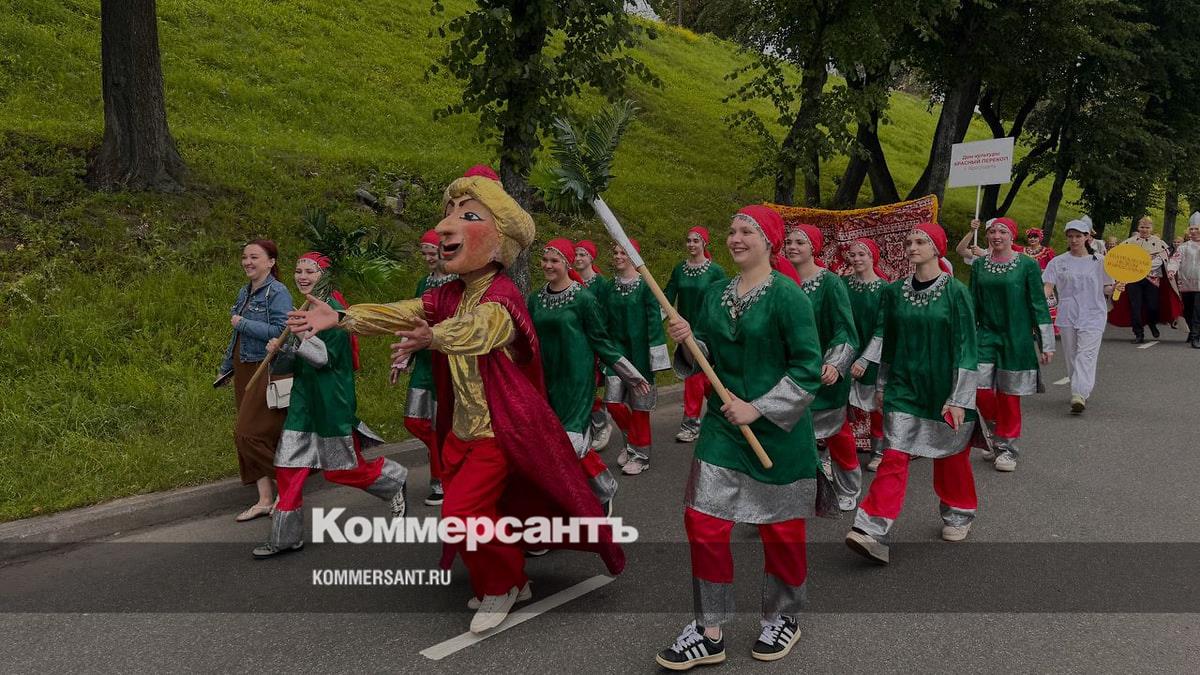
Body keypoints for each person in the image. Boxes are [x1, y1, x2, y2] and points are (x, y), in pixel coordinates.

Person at [286, 166, 624, 635]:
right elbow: (406, 310)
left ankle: (504, 584)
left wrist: (434, 337)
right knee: (467, 517)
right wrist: (344, 317)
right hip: (461, 431)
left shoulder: (502, 296)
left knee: (461, 514)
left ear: (500, 240)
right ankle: (513, 579)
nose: (446, 226)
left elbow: (481, 330)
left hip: (498, 433)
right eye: (449, 213)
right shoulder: (451, 293)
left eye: (468, 216)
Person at [656, 205, 822, 669]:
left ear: (768, 241)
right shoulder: (715, 293)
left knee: (781, 530)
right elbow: (706, 353)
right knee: (702, 520)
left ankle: (783, 617)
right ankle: (709, 631)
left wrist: (759, 407)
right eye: (731, 231)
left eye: (747, 231)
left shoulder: (789, 296)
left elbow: (808, 368)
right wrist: (689, 340)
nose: (735, 238)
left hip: (779, 434)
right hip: (723, 428)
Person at [252, 252, 408, 558]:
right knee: (288, 466)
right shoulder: (306, 306)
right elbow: (296, 360)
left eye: (310, 271)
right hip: (303, 398)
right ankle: (286, 538)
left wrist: (297, 340)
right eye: (298, 271)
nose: (302, 276)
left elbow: (324, 359)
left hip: (331, 399)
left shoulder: (335, 310)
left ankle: (392, 480)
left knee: (340, 471)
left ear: (325, 276)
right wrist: (281, 350)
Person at [846, 223, 980, 564]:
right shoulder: (893, 292)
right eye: (909, 241)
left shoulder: (956, 292)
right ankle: (871, 528)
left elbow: (967, 346)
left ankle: (959, 512)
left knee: (950, 455)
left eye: (920, 241)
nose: (912, 246)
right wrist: (881, 386)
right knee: (894, 454)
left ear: (937, 248)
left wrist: (960, 398)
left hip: (944, 388)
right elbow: (889, 343)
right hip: (903, 387)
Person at [528, 237, 650, 511]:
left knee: (570, 442)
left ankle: (591, 494)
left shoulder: (584, 299)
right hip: (547, 381)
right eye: (545, 259)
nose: (548, 265)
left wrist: (631, 375)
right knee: (550, 443)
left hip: (577, 380)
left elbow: (601, 341)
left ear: (567, 263)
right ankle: (592, 493)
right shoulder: (535, 299)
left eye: (554, 260)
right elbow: (529, 341)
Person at [784, 223, 860, 511]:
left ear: (813, 248)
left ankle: (848, 486)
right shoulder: (779, 282)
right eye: (789, 242)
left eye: (799, 242)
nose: (792, 247)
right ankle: (787, 492)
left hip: (824, 374)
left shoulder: (831, 283)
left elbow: (844, 329)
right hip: (789, 374)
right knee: (788, 436)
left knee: (837, 433)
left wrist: (835, 363)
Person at [968, 217, 1054, 473]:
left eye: (1002, 232)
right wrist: (964, 336)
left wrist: (1046, 343)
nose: (997, 236)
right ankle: (997, 436)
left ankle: (1007, 449)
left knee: (1008, 396)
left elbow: (1038, 303)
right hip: (985, 336)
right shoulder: (979, 265)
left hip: (1016, 337)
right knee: (979, 390)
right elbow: (972, 302)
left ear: (1012, 236)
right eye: (993, 231)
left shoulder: (1027, 265)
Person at [218, 239, 292, 522]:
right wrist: (226, 367)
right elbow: (235, 336)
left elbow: (283, 331)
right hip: (244, 366)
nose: (247, 262)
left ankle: (289, 484)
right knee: (249, 434)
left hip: (266, 367)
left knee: (248, 433)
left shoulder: (278, 292)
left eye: (254, 257)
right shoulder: (245, 291)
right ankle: (264, 499)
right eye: (244, 257)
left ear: (271, 262)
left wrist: (243, 323)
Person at [400, 230, 457, 506]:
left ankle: (440, 481)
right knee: (414, 421)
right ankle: (445, 458)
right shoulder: (423, 283)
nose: (428, 258)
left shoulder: (458, 283)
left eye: (432, 252)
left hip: (447, 361)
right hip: (423, 361)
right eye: (424, 253)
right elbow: (412, 320)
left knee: (439, 423)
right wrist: (402, 357)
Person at [605, 238, 670, 476]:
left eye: (623, 253)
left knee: (640, 408)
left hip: (640, 355)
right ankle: (631, 442)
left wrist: (656, 356)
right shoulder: (609, 287)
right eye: (616, 253)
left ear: (633, 257)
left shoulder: (645, 286)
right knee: (613, 403)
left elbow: (654, 321)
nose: (618, 256)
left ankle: (641, 456)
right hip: (616, 355)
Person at [663, 226, 728, 443]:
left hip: (708, 332)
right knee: (700, 377)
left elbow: (723, 302)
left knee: (698, 377)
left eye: (696, 241)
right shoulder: (679, 269)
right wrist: (652, 319)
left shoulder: (716, 271)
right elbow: (667, 297)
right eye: (689, 240)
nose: (691, 244)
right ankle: (721, 408)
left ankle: (693, 423)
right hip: (685, 332)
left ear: (704, 244)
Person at [1043, 220, 1114, 413]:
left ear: (1087, 237)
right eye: (1070, 236)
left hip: (1093, 313)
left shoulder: (1100, 261)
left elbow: (1107, 287)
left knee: (1086, 354)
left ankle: (1079, 393)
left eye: (1078, 236)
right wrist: (1036, 303)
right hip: (1068, 313)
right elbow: (1048, 287)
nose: (1074, 240)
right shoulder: (1058, 262)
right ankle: (1079, 389)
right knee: (1072, 355)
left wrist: (1117, 287)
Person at [844, 238, 891, 473]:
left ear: (872, 257)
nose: (856, 259)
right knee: (841, 401)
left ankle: (879, 451)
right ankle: (841, 451)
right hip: (846, 350)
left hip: (873, 354)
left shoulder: (884, 289)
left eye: (861, 254)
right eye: (853, 255)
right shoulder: (843, 284)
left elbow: (883, 328)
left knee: (876, 403)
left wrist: (865, 358)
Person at [574, 239, 616, 450]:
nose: (578, 258)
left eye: (582, 255)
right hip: (575, 341)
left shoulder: (601, 285)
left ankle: (601, 422)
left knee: (589, 386)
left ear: (591, 258)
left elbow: (607, 316)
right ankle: (591, 426)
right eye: (576, 254)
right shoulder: (571, 281)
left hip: (594, 343)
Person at [1119, 217, 1172, 343]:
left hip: (1152, 278)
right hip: (1133, 278)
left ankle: (1152, 323)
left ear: (1151, 228)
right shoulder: (1130, 242)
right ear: (1138, 228)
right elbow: (1120, 257)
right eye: (1142, 227)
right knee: (1135, 306)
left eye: (1147, 227)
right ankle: (1138, 333)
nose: (1144, 230)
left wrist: (1144, 266)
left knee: (1152, 306)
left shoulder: (1158, 242)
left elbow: (1162, 259)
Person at [1167, 213, 1200, 347]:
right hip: (1186, 284)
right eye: (1191, 229)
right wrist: (1171, 270)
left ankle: (1195, 337)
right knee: (1188, 311)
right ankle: (1192, 332)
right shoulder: (1183, 247)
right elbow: (1175, 260)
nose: (1193, 231)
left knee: (1197, 311)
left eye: (1196, 228)